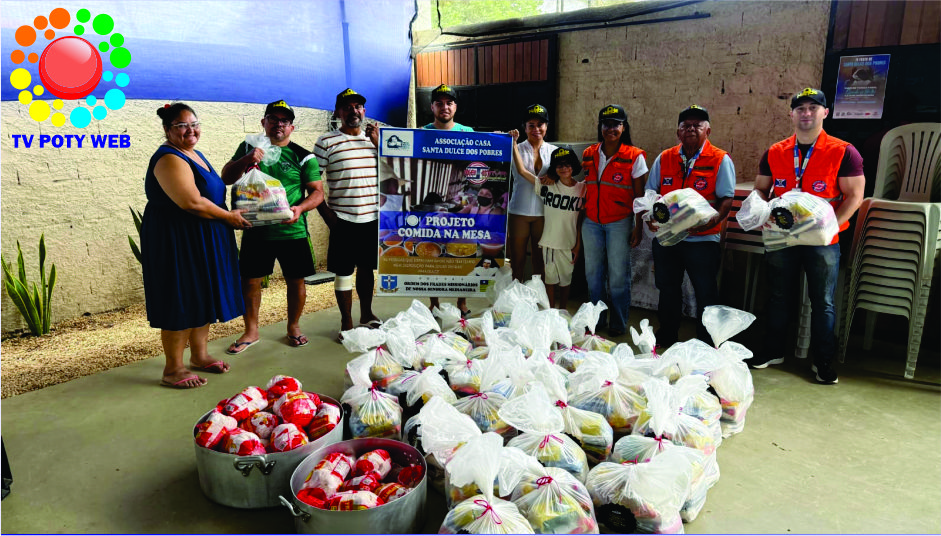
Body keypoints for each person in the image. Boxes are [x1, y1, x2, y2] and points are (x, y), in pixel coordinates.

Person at [749, 88, 865, 384]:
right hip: (783, 237)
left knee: (823, 301)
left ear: (825, 113)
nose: (807, 113)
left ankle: (822, 361)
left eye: (814, 107)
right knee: (777, 296)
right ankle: (774, 351)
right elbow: (761, 188)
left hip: (822, 242)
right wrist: (761, 208)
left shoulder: (843, 151)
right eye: (800, 108)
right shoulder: (775, 152)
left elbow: (854, 196)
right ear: (792, 114)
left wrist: (830, 228)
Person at [140, 103, 249, 388]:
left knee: (203, 294)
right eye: (182, 125)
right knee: (182, 297)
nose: (191, 130)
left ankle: (199, 356)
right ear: (167, 130)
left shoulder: (194, 154)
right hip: (177, 239)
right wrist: (228, 217)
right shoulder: (169, 158)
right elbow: (190, 201)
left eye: (195, 123)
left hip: (205, 235)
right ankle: (173, 369)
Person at [221, 100, 324, 354]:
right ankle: (251, 331)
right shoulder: (248, 147)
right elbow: (226, 177)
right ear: (263, 122)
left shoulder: (303, 156)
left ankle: (294, 327)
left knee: (296, 281)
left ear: (292, 127)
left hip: (292, 231)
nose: (279, 124)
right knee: (251, 281)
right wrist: (248, 158)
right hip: (255, 230)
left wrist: (299, 209)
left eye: (284, 121)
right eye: (273, 119)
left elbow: (317, 193)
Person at [641, 105, 735, 348]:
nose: (691, 128)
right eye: (686, 125)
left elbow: (726, 199)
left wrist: (715, 220)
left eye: (697, 125)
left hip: (703, 240)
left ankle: (707, 341)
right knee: (668, 288)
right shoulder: (665, 158)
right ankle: (668, 333)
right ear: (678, 131)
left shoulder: (720, 159)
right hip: (667, 238)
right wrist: (649, 215)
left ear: (708, 130)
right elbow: (651, 192)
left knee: (705, 292)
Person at [314, 89, 383, 341]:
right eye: (347, 107)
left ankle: (367, 314)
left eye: (358, 106)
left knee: (367, 269)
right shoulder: (326, 142)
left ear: (364, 111)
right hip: (342, 217)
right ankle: (347, 322)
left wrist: (379, 144)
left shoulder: (377, 140)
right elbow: (312, 182)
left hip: (372, 217)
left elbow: (396, 172)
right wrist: (326, 214)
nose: (353, 111)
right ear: (338, 112)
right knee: (343, 271)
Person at [580, 104, 648, 337]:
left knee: (618, 275)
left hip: (619, 222)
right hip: (591, 222)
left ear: (623, 127)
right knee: (593, 274)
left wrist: (638, 227)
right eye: (606, 124)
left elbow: (640, 198)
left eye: (615, 124)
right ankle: (596, 322)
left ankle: (618, 323)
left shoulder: (635, 156)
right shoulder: (589, 154)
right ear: (600, 126)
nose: (610, 129)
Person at [509, 135, 586, 310]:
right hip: (549, 243)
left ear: (573, 166)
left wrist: (578, 243)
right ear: (554, 168)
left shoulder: (582, 188)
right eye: (559, 165)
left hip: (569, 243)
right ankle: (551, 310)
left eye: (567, 164)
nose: (564, 168)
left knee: (566, 280)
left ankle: (563, 310)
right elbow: (522, 171)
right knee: (549, 280)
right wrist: (513, 144)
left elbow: (581, 217)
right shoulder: (547, 185)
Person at [425, 84, 473, 316]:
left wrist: (504, 140)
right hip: (431, 197)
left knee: (461, 248)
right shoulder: (422, 132)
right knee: (433, 248)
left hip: (458, 197)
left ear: (455, 106)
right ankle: (434, 302)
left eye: (449, 102)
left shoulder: (467, 133)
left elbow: (478, 164)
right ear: (432, 106)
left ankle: (461, 302)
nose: (445, 107)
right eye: (440, 103)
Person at [507, 104, 557, 282]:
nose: (536, 129)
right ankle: (515, 300)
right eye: (531, 125)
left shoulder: (554, 152)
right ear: (525, 127)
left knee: (540, 261)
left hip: (544, 212)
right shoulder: (515, 148)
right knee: (517, 261)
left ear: (547, 126)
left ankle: (537, 300)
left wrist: (555, 177)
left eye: (540, 124)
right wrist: (509, 141)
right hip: (518, 211)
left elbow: (564, 175)